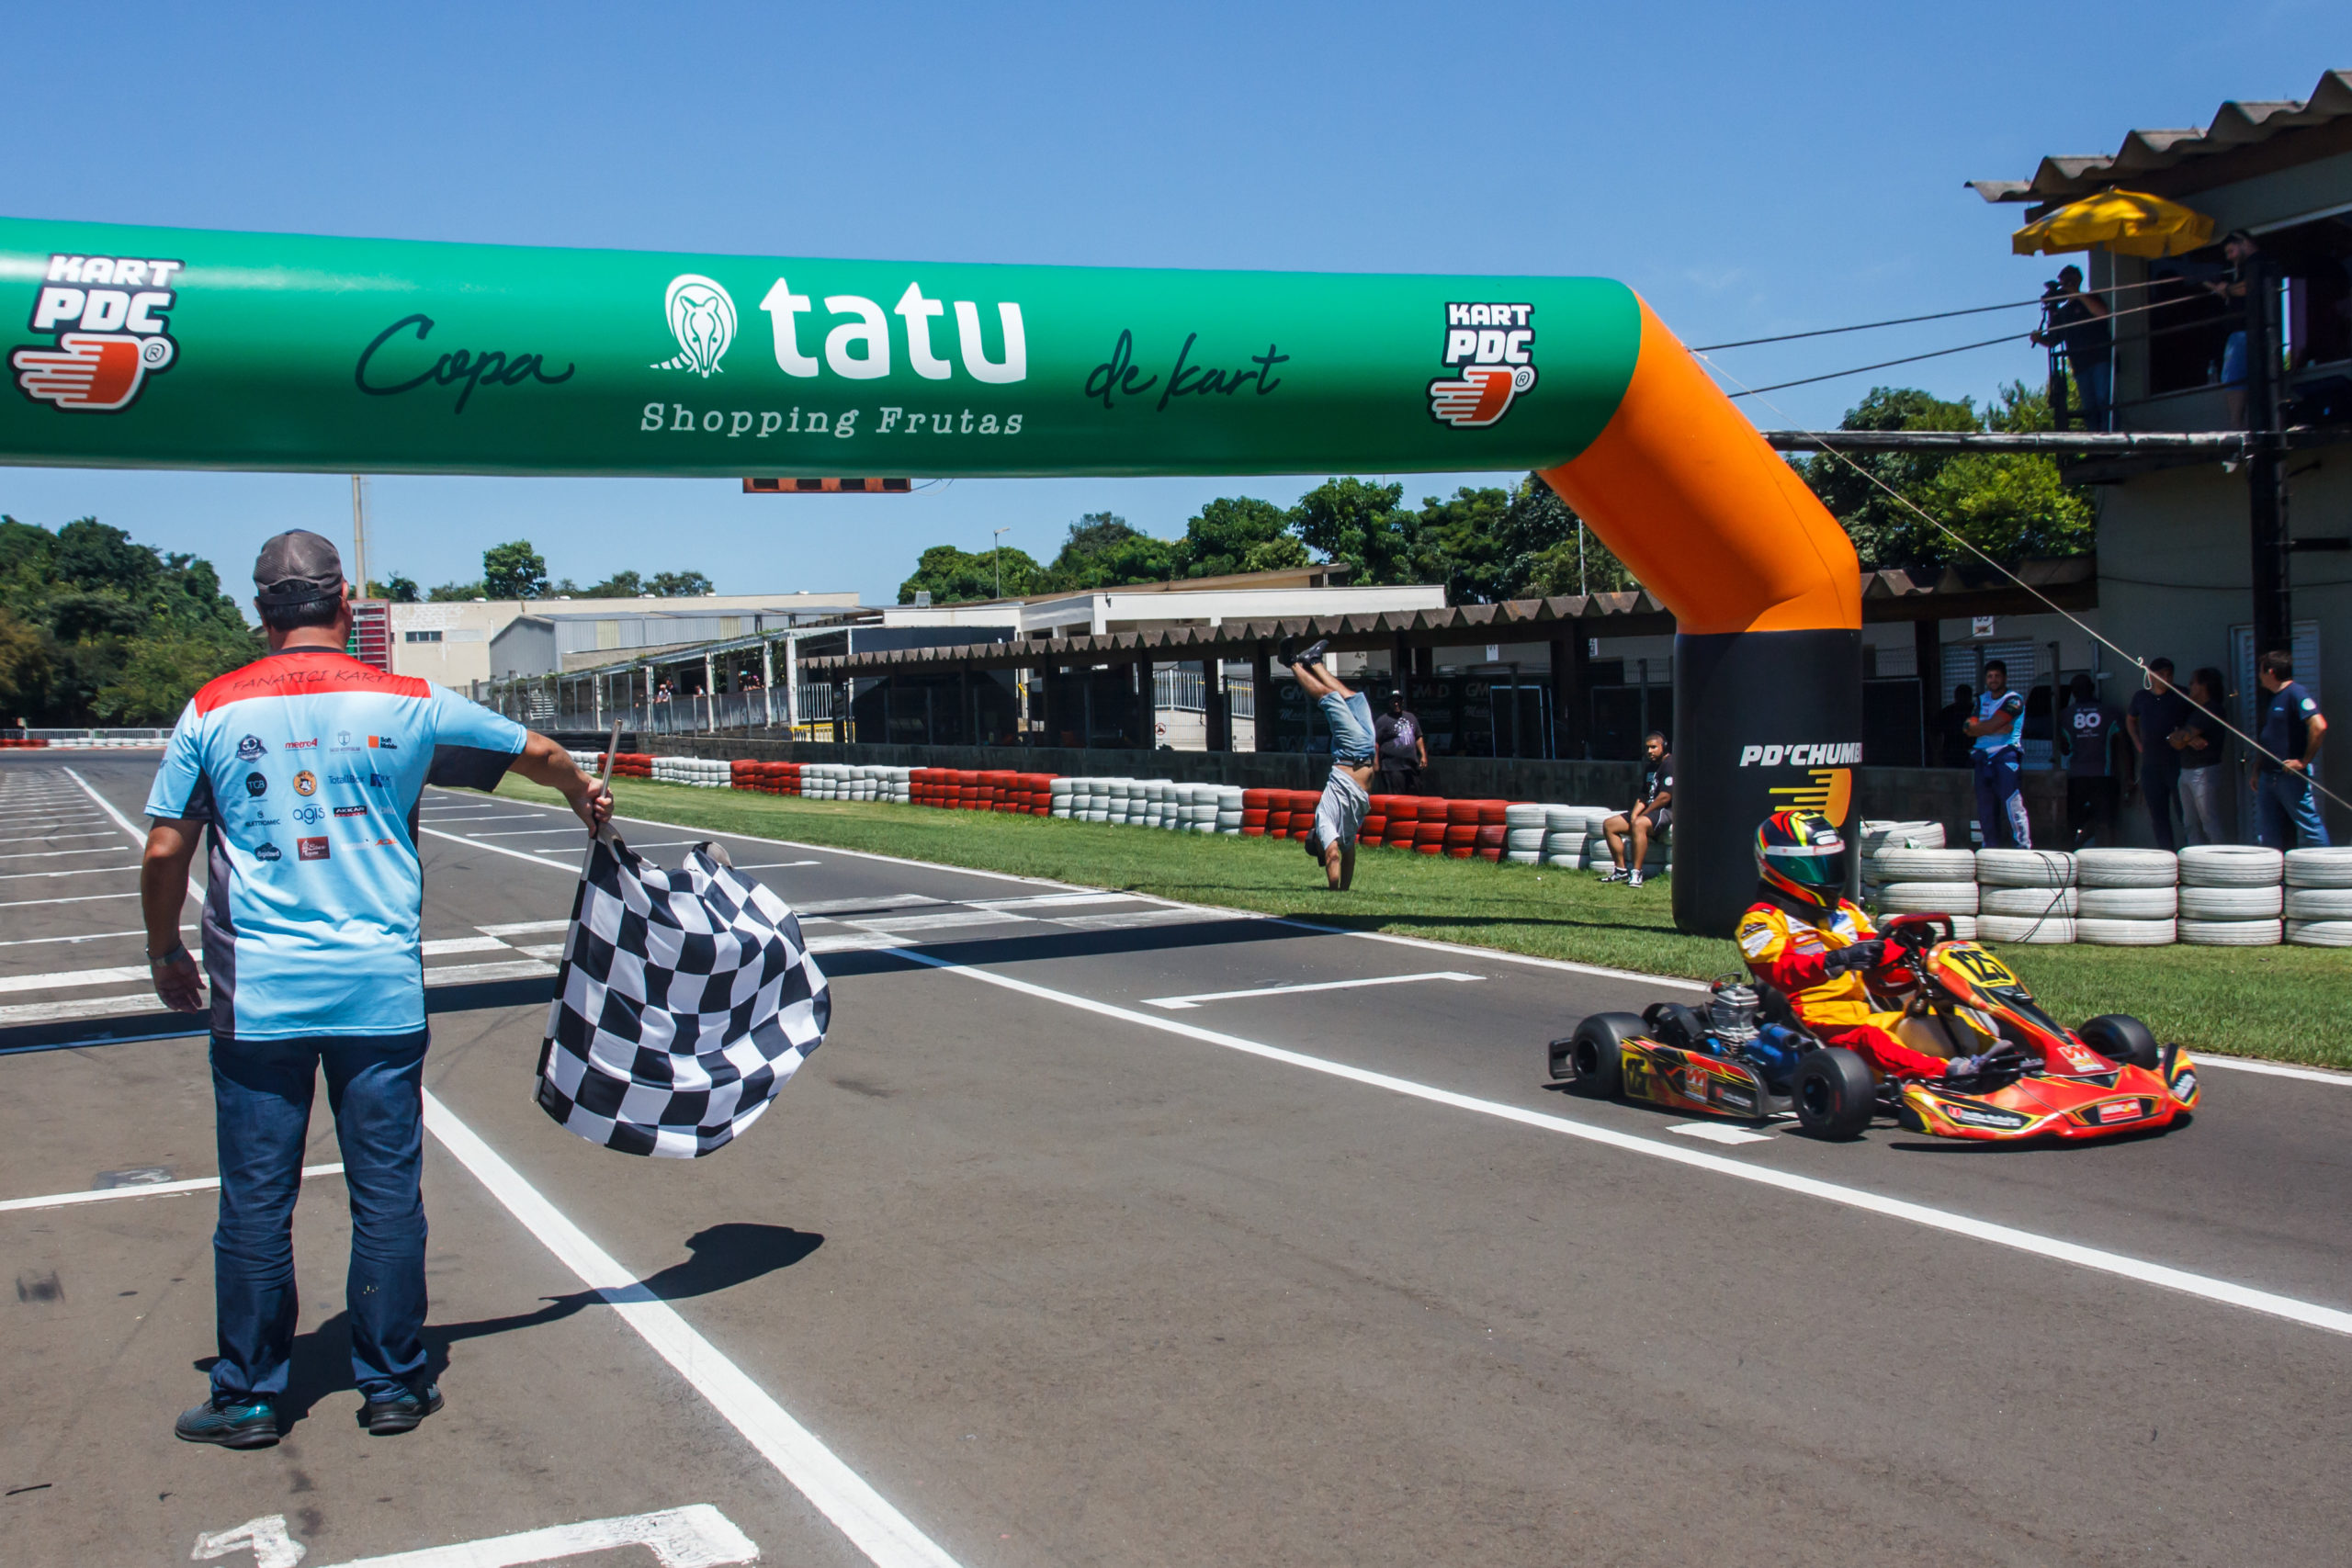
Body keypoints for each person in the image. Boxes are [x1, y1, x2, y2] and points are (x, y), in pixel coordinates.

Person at [143, 532, 614, 1450]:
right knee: (387, 1192)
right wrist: (581, 798)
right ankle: (393, 1384)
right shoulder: (410, 701)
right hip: (379, 989)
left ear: (259, 608)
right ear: (348, 601)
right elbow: (543, 752)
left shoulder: (210, 708)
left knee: (255, 1198)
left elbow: (167, 848)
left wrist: (164, 949)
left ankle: (245, 1395)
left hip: (261, 995)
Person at [1735, 809, 1999, 1082]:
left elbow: (1880, 955)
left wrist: (1919, 955)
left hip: (1863, 1014)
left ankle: (2002, 1057)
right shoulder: (1761, 921)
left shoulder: (1845, 912)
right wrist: (1836, 960)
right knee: (1872, 1040)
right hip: (1816, 1025)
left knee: (1936, 1018)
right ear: (1780, 867)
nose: (1826, 874)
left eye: (1830, 863)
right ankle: (1949, 1074)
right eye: (1813, 865)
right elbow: (1780, 971)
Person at [1281, 639, 1377, 891]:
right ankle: (1314, 662)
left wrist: (1332, 891)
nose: (1321, 837)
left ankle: (1291, 663)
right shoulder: (1344, 836)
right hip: (1365, 749)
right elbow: (1347, 856)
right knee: (1355, 699)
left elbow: (1334, 855)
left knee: (1329, 698)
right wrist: (1343, 892)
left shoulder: (1323, 821)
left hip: (1350, 751)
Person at [2253, 648, 2330, 849]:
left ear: (2270, 672)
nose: (2259, 676)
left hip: (2289, 776)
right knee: (2267, 830)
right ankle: (2271, 875)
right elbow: (2270, 738)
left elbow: (2319, 726)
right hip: (2268, 775)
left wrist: (2304, 761)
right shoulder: (2274, 698)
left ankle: (2331, 872)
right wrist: (2257, 769)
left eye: (2261, 671)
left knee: (2309, 826)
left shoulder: (2296, 693)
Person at [2032, 265, 2113, 430]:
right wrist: (2039, 338)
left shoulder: (2090, 298)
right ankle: (2096, 443)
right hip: (2080, 363)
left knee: (2104, 399)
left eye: (2071, 281)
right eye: (2064, 282)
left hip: (2099, 357)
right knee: (2089, 406)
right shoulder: (2064, 312)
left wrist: (2076, 293)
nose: (2067, 285)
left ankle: (2111, 437)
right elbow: (2054, 339)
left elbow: (2102, 313)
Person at [1964, 660, 2030, 848]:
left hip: (2006, 755)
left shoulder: (2014, 700)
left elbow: (1989, 725)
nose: (1993, 680)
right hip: (1982, 757)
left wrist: (1982, 727)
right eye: (1990, 676)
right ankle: (1990, 847)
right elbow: (1968, 727)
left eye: (1997, 676)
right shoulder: (1981, 699)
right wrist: (1992, 727)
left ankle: (2023, 846)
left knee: (2013, 804)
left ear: (2005, 678)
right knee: (1985, 807)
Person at [2126, 659, 2190, 852]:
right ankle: (2167, 854)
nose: (2166, 678)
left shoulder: (2181, 694)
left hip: (2177, 762)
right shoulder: (2141, 697)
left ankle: (2189, 853)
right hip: (2151, 765)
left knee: (2184, 813)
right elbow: (2130, 720)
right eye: (2161, 674)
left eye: (2169, 674)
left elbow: (2195, 720)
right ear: (2150, 675)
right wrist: (2138, 743)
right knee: (2158, 814)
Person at [2204, 230, 2264, 431]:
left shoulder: (2255, 262)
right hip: (2247, 333)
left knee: (2235, 381)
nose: (2229, 257)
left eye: (2231, 251)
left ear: (2244, 242)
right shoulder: (2247, 265)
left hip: (2243, 334)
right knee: (2245, 382)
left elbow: (2249, 287)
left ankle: (2237, 429)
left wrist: (2226, 289)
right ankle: (2243, 428)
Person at [2059, 672, 2127, 847]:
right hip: (2104, 775)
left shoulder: (2065, 715)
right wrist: (2129, 776)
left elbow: (2064, 748)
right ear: (2093, 689)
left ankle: (2069, 858)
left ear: (2073, 693)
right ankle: (2106, 861)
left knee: (2072, 822)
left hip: (2076, 777)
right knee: (2105, 822)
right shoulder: (2110, 712)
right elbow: (2123, 744)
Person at [1600, 731, 1672, 887]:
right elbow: (1644, 795)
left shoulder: (1671, 764)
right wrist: (1634, 814)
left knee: (1639, 824)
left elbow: (1665, 797)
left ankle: (1636, 873)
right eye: (1647, 748)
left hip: (1665, 811)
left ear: (1664, 747)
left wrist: (1642, 815)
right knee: (1610, 824)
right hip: (1648, 811)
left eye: (1653, 747)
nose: (1649, 751)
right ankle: (1620, 870)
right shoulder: (1650, 768)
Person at [2173, 666, 2231, 845]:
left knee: (2208, 821)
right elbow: (2175, 739)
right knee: (2189, 823)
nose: (2189, 687)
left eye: (2192, 683)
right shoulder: (2193, 710)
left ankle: (2219, 860)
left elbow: (2178, 738)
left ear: (2203, 685)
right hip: (2187, 769)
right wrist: (2186, 738)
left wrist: (2182, 737)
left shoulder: (2212, 709)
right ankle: (2194, 863)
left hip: (2203, 771)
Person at [1374, 689, 1428, 796]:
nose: (1396, 704)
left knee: (1415, 795)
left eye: (1398, 701)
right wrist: (1376, 763)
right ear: (1389, 703)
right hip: (1392, 767)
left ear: (1402, 702)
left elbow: (1418, 736)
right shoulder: (1383, 720)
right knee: (1398, 798)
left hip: (1411, 765)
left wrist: (1423, 755)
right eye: (1393, 701)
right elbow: (1374, 743)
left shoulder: (1411, 717)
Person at [1937, 682, 1974, 769]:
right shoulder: (1947, 713)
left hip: (1969, 754)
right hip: (1952, 754)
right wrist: (1938, 751)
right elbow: (1934, 731)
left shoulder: (1975, 712)